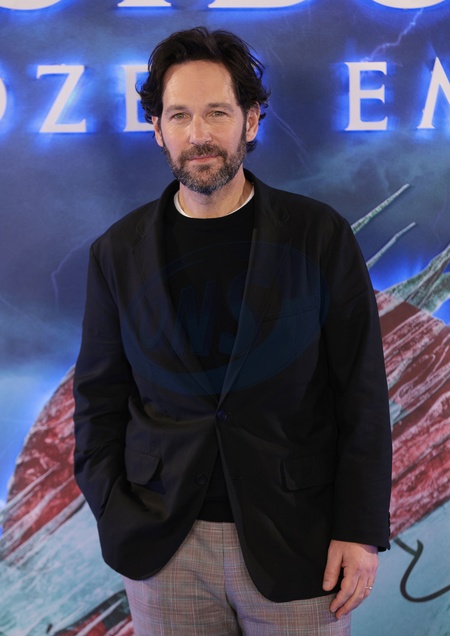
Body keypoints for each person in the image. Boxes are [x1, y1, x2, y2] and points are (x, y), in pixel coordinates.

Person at [73, 26, 392, 635]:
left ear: (251, 120)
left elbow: (361, 392)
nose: (199, 134)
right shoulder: (116, 253)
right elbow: (98, 401)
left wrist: (358, 528)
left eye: (217, 112)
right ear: (157, 128)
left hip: (301, 541)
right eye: (179, 115)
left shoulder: (318, 236)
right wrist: (116, 513)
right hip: (164, 549)